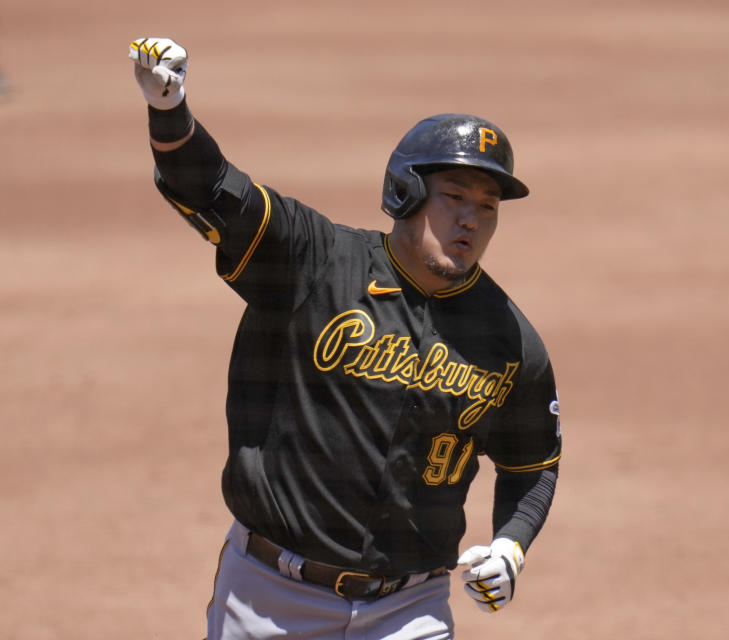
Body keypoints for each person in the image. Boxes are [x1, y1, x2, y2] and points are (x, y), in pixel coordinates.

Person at [129, 37, 562, 640]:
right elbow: (211, 189)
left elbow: (534, 461)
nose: (471, 220)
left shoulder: (508, 337)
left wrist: (512, 545)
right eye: (455, 198)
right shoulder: (315, 261)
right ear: (404, 194)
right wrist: (170, 112)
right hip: (269, 597)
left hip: (408, 612)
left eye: (488, 207)